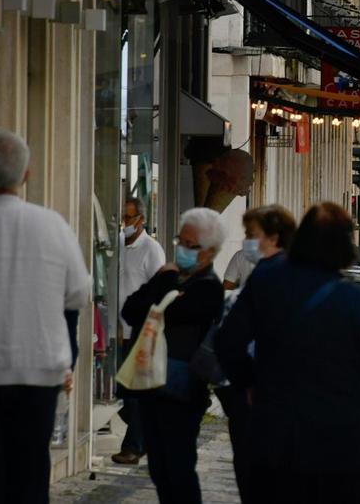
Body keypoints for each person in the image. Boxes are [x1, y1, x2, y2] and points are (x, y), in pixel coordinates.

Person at [215, 203, 360, 502]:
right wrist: (352, 399)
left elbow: (228, 342)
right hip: (343, 441)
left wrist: (250, 383)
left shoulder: (266, 282)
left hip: (277, 433)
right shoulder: (357, 301)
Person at [0, 130, 90, 503]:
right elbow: (78, 294)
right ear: (26, 175)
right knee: (31, 470)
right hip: (38, 371)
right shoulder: (52, 226)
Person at [122, 207, 225, 503]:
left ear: (210, 251)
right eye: (181, 241)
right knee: (158, 468)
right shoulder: (169, 277)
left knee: (178, 468)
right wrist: (161, 285)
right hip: (150, 383)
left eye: (191, 246)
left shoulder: (208, 288)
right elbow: (130, 309)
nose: (182, 250)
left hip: (182, 389)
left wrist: (163, 286)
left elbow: (174, 313)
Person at [215, 205, 296, 503]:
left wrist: (244, 383)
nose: (247, 240)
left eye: (252, 235)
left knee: (254, 475)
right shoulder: (301, 275)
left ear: (273, 237)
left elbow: (229, 341)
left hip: (258, 396)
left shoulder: (266, 278)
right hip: (292, 400)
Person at [112, 196, 165, 465]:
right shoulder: (118, 244)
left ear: (141, 220)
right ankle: (148, 431)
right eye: (122, 218)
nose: (124, 223)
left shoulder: (151, 250)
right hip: (114, 329)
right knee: (118, 390)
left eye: (128, 218)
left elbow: (158, 293)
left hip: (138, 330)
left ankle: (134, 445)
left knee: (132, 392)